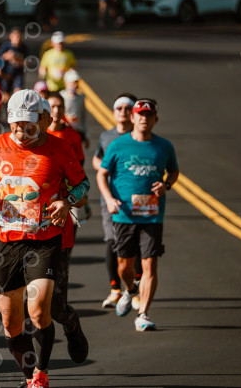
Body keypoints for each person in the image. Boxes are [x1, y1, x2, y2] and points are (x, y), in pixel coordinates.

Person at [0, 89, 89, 388]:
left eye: (28, 124)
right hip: (7, 240)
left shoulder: (59, 148)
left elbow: (83, 186)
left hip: (45, 238)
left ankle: (41, 376)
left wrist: (68, 201)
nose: (21, 130)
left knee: (38, 311)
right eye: (16, 124)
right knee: (11, 323)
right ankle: (29, 375)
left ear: (43, 120)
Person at [97, 98, 179, 331]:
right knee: (124, 267)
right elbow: (102, 173)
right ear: (132, 118)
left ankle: (143, 313)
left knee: (150, 264)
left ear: (155, 119)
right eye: (140, 114)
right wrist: (109, 199)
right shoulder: (118, 145)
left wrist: (166, 185)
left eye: (149, 115)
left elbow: (174, 171)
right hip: (124, 214)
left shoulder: (164, 146)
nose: (144, 118)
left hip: (152, 215)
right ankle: (130, 289)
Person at [39, 100, 89, 366]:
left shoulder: (64, 146)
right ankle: (36, 372)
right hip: (22, 238)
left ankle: (71, 325)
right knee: (30, 307)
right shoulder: (11, 149)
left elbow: (81, 188)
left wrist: (69, 200)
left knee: (56, 306)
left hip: (58, 234)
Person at [92, 93, 142, 309]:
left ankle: (136, 290)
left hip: (138, 199)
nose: (123, 112)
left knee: (137, 244)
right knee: (112, 241)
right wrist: (105, 167)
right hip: (111, 199)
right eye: (119, 108)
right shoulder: (106, 136)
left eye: (127, 108)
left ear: (133, 113)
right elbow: (96, 158)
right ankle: (115, 290)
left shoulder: (140, 136)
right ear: (113, 112)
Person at [60, 69, 89, 149]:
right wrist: (66, 118)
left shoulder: (80, 98)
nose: (75, 85)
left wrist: (86, 135)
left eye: (76, 82)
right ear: (66, 83)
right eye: (73, 82)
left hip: (77, 132)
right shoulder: (61, 97)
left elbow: (84, 116)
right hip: (65, 132)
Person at [0, 26, 28, 95]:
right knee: (5, 94)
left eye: (19, 36)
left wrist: (15, 57)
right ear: (11, 36)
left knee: (18, 93)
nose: (17, 38)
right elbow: (0, 57)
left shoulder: (23, 47)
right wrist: (9, 56)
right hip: (6, 73)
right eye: (16, 36)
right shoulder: (5, 46)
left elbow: (26, 62)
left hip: (18, 74)